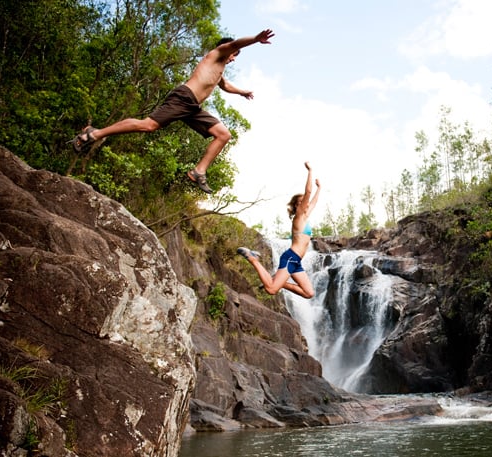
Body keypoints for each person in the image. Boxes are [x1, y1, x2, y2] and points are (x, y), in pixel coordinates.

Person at [69, 29, 275, 194]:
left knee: (223, 135)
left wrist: (242, 92)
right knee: (148, 125)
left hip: (193, 108)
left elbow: (224, 85)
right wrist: (256, 39)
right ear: (227, 49)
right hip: (183, 98)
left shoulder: (220, 68)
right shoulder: (216, 54)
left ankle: (198, 172)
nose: (233, 59)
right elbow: (236, 43)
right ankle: (93, 134)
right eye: (234, 55)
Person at [237, 162, 321, 299]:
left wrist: (320, 188)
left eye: (304, 202)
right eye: (300, 202)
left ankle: (277, 280)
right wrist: (310, 171)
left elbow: (314, 202)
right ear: (296, 207)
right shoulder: (299, 217)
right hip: (291, 257)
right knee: (271, 289)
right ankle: (254, 259)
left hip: (296, 262)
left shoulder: (305, 217)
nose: (305, 203)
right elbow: (308, 193)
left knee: (309, 293)